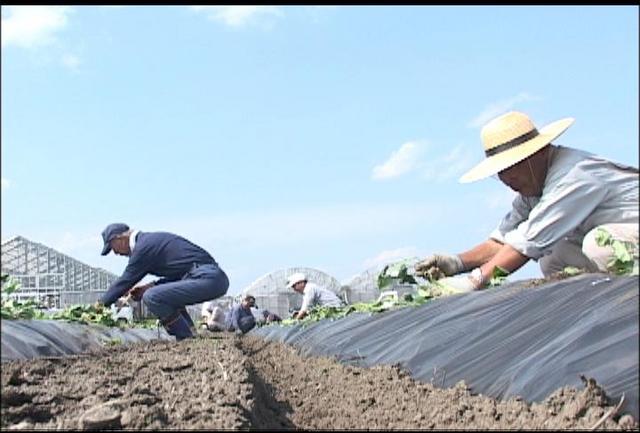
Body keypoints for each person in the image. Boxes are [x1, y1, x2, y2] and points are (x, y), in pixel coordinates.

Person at [415, 111, 639, 292]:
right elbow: (502, 240)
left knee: (600, 244)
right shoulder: (532, 189)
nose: (507, 179)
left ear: (539, 153)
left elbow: (528, 242)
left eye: (513, 167)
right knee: (554, 258)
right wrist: (456, 263)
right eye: (501, 172)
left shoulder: (574, 175)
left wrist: (475, 281)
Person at [96, 223, 229, 340]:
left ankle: (185, 337)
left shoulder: (143, 247)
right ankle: (190, 331)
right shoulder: (148, 241)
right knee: (156, 293)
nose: (115, 253)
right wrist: (150, 286)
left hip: (207, 277)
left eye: (112, 247)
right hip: (210, 277)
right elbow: (180, 274)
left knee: (152, 296)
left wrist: (100, 305)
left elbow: (125, 281)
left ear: (119, 239)